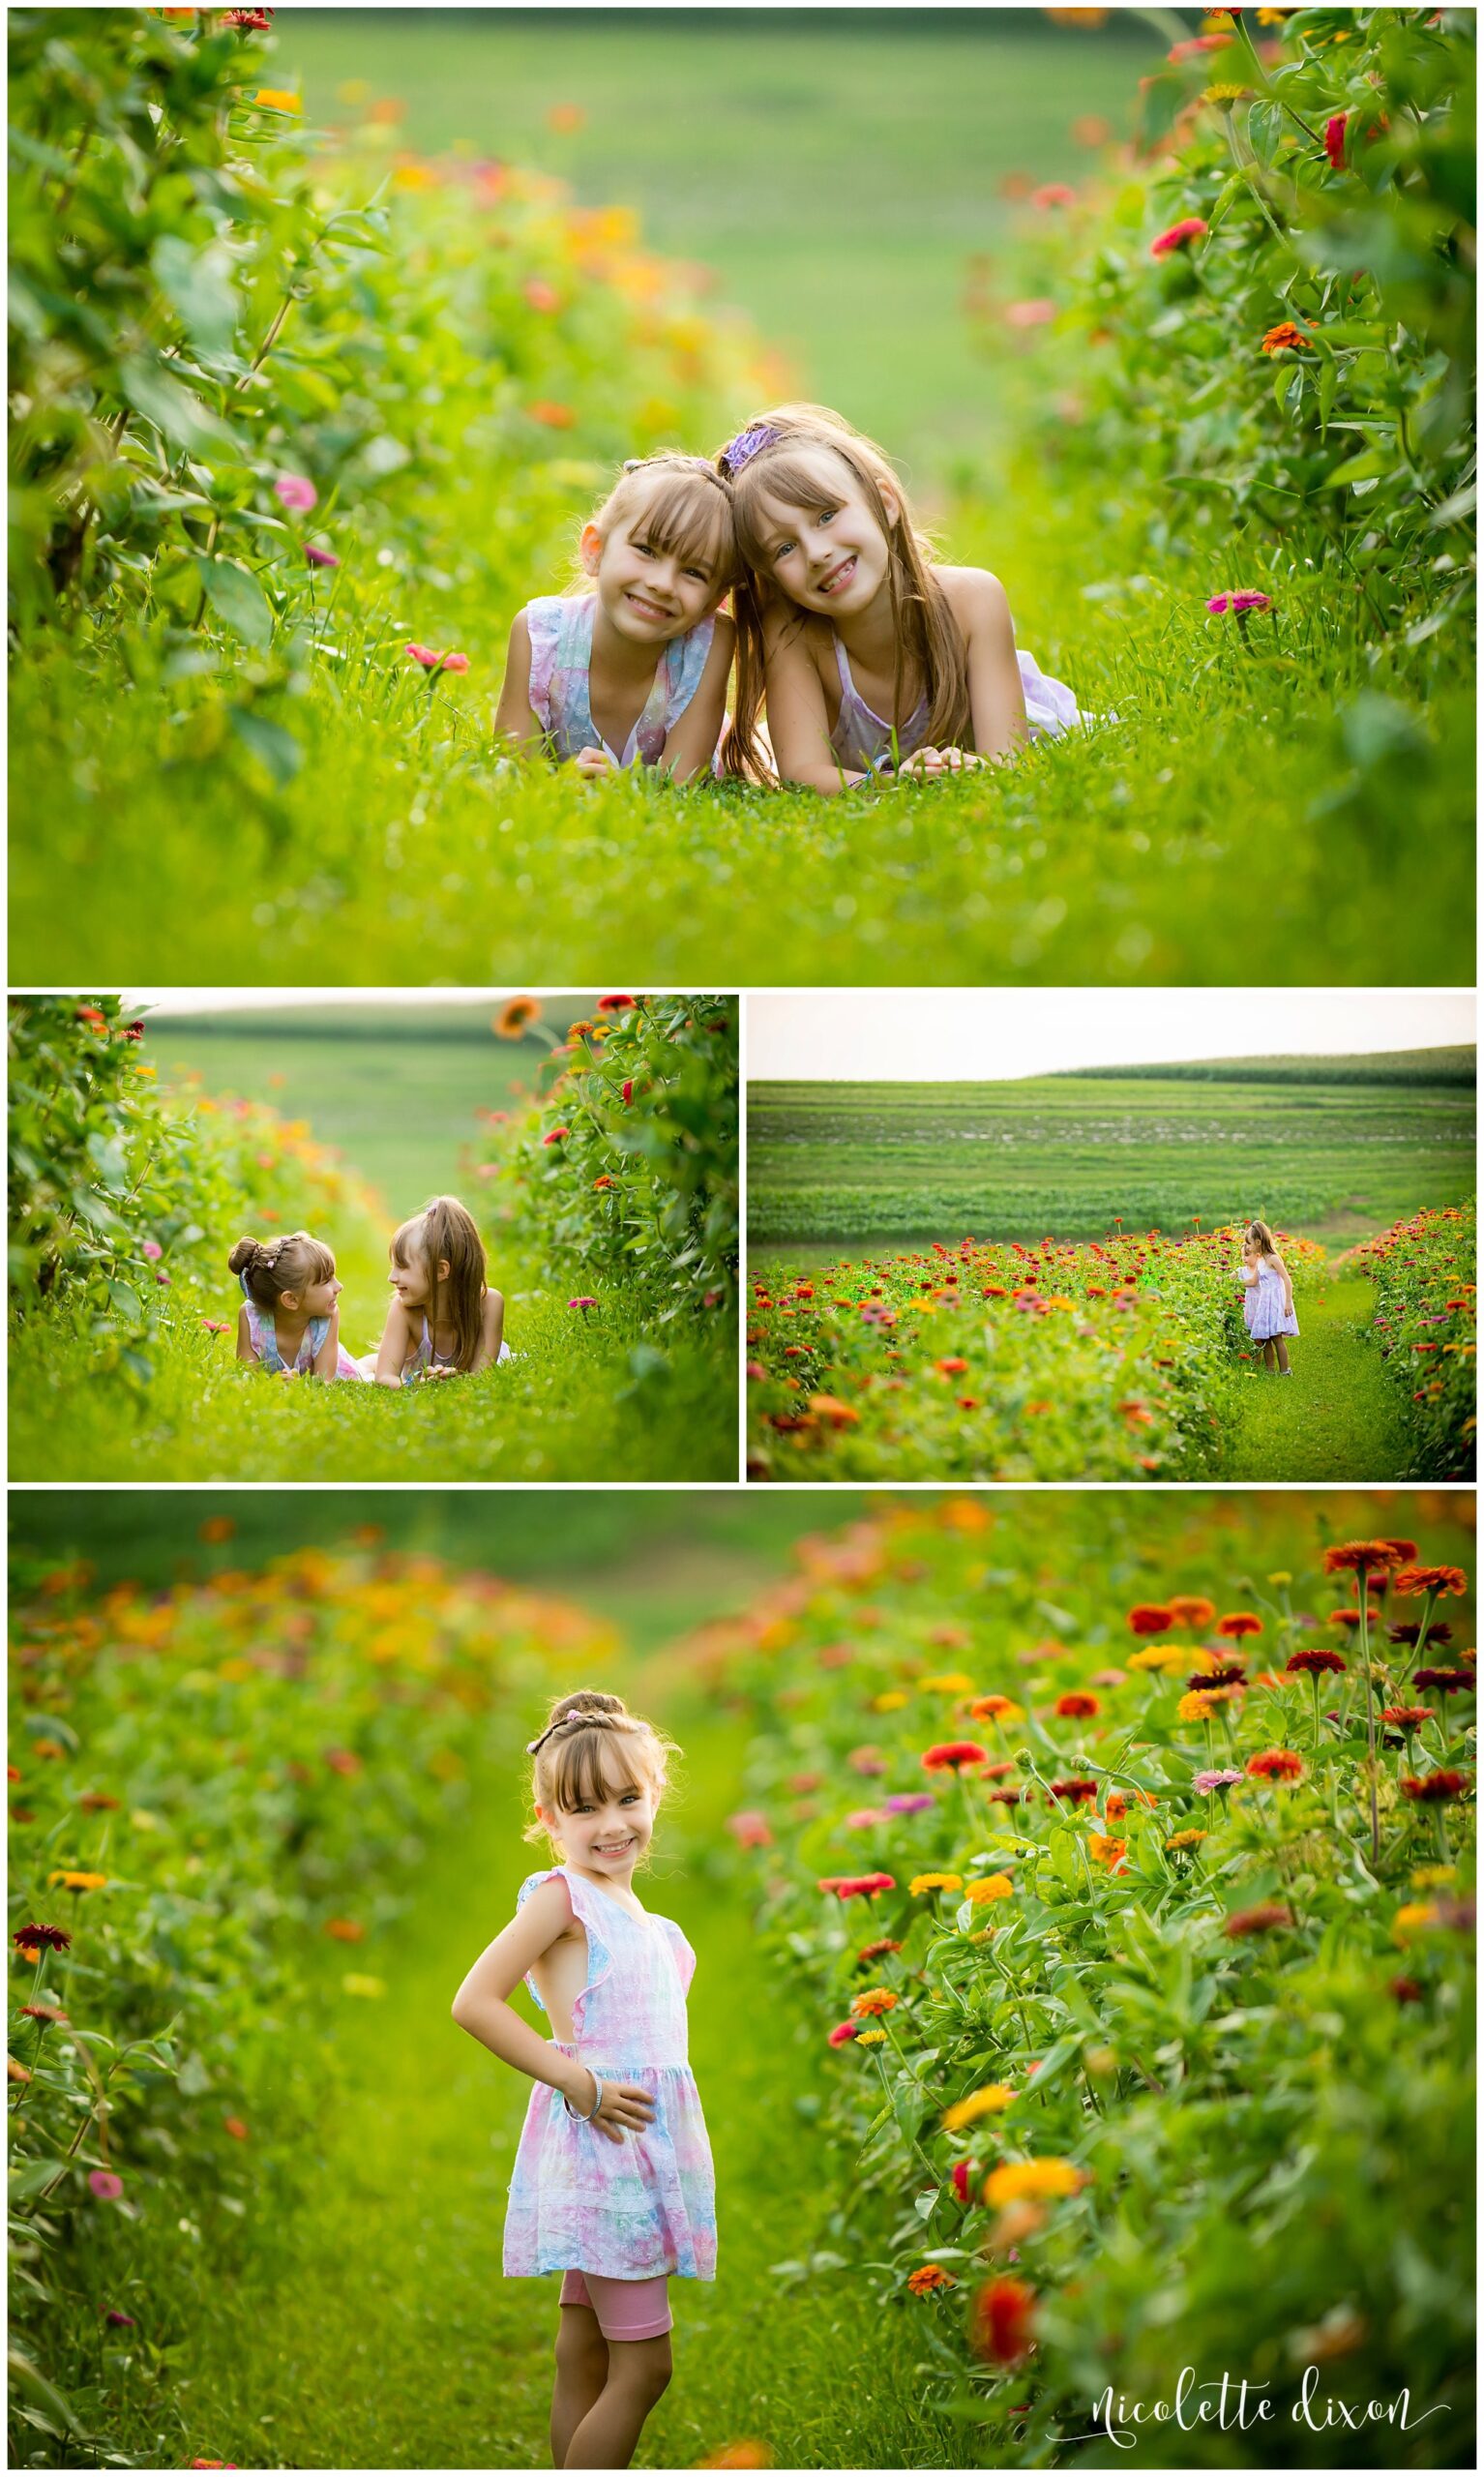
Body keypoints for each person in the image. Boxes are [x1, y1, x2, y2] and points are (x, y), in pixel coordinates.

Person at [452, 1690, 715, 2470]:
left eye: (629, 1799)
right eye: (585, 1808)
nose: (612, 1825)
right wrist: (581, 2083)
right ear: (547, 1818)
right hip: (607, 2152)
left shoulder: (655, 1927)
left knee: (587, 2352)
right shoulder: (562, 1900)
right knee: (646, 2367)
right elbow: (474, 2002)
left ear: (655, 1794)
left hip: (629, 2154)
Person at [715, 402, 1083, 791]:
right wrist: (896, 783)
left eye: (826, 516)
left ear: (885, 502)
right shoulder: (794, 636)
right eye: (784, 549)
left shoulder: (974, 601)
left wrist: (970, 770)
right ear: (771, 577)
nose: (817, 552)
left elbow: (1008, 763)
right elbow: (803, 774)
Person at [494, 452, 737, 780]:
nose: (662, 584)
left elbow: (683, 778)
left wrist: (621, 783)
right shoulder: (539, 635)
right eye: (646, 550)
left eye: (693, 572)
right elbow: (513, 766)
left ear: (714, 601)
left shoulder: (708, 643)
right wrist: (560, 782)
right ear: (595, 549)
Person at [363, 1195, 508, 1387]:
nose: (392, 1277)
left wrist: (454, 1380)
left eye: (402, 1267)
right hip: (414, 1376)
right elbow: (384, 1377)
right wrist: (416, 1386)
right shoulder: (403, 1309)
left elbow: (482, 1378)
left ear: (441, 1270)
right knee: (365, 1367)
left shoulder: (490, 1304)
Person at [229, 1231, 365, 1380]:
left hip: (339, 1367)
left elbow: (325, 1380)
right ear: (291, 1300)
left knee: (365, 1372)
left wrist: (298, 1383)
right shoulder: (251, 1317)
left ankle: (373, 1362)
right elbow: (247, 1374)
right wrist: (274, 1382)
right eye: (326, 1281)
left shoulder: (328, 1316)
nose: (339, 1286)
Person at [1236, 1219, 1299, 1374]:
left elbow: (1287, 1279)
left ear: (1258, 1242)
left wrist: (1288, 1302)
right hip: (1265, 1303)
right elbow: (1253, 1281)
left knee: (1277, 1338)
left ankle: (1285, 1370)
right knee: (1265, 1339)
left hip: (1276, 1303)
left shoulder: (1273, 1258)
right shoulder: (1260, 1260)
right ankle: (1270, 1371)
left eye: (1249, 1243)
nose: (1248, 1247)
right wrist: (1234, 1284)